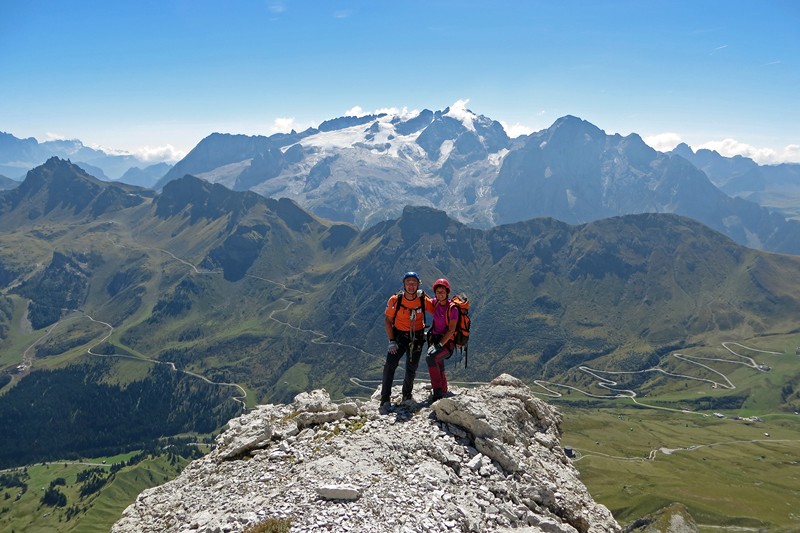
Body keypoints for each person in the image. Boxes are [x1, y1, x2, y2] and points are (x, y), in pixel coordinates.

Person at [379, 271, 426, 411]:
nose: (411, 286)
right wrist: (391, 340)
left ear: (418, 284)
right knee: (390, 365)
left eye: (414, 283)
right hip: (399, 337)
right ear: (404, 285)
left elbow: (438, 309)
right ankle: (385, 398)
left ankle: (407, 395)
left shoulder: (423, 299)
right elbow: (388, 320)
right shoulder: (395, 300)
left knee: (411, 368)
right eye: (408, 283)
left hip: (416, 337)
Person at [425, 278, 458, 401]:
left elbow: (451, 330)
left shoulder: (453, 309)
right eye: (438, 292)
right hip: (437, 341)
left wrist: (439, 345)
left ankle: (437, 392)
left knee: (431, 358)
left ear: (447, 292)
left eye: (442, 291)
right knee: (438, 362)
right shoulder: (436, 303)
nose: (440, 294)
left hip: (447, 343)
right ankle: (443, 389)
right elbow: (426, 301)